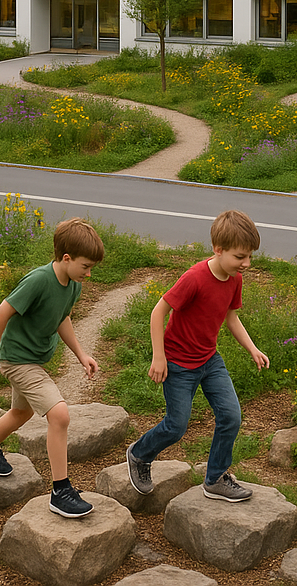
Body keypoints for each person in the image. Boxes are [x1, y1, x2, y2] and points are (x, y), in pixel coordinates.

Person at [125, 209, 269, 503]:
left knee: (231, 415)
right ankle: (140, 454)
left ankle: (216, 477)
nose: (247, 263)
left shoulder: (234, 279)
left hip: (209, 360)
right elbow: (158, 312)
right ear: (218, 250)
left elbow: (231, 319)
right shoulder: (195, 277)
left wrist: (252, 348)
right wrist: (159, 357)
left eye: (249, 256)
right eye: (240, 256)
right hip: (178, 363)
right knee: (176, 427)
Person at [0, 217, 104, 518]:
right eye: (85, 266)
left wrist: (81, 354)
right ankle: (60, 491)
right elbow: (0, 314)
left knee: (20, 413)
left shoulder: (73, 284)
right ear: (66, 258)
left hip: (33, 358)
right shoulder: (38, 280)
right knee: (59, 415)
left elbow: (61, 318)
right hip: (17, 359)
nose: (89, 273)